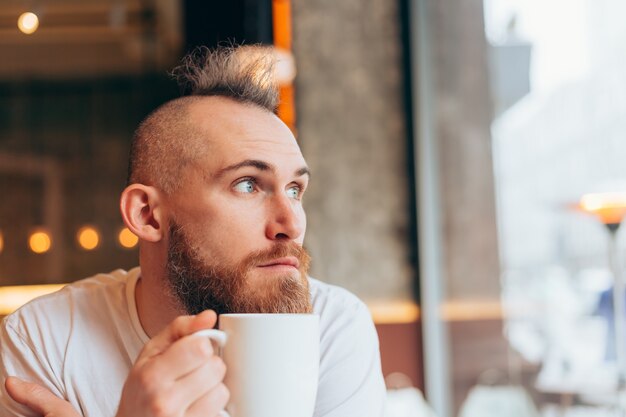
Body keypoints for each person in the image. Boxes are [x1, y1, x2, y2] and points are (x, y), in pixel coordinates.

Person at [0, 45, 386, 417]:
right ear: (148, 215)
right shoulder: (40, 340)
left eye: (295, 190)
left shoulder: (333, 325)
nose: (292, 224)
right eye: (248, 184)